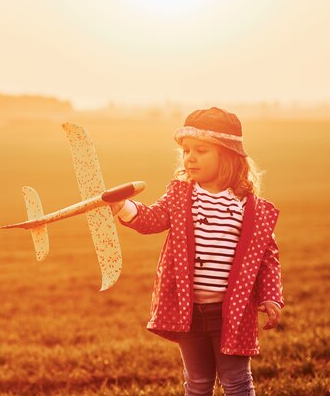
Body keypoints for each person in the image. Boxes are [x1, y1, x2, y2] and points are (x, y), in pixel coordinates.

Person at [111, 107, 283, 396]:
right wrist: (123, 208)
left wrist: (269, 296)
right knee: (198, 382)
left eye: (201, 150)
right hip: (187, 312)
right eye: (186, 151)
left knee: (236, 381)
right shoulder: (181, 196)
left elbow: (267, 257)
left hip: (231, 314)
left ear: (228, 154)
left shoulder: (249, 208)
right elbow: (153, 218)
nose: (190, 158)